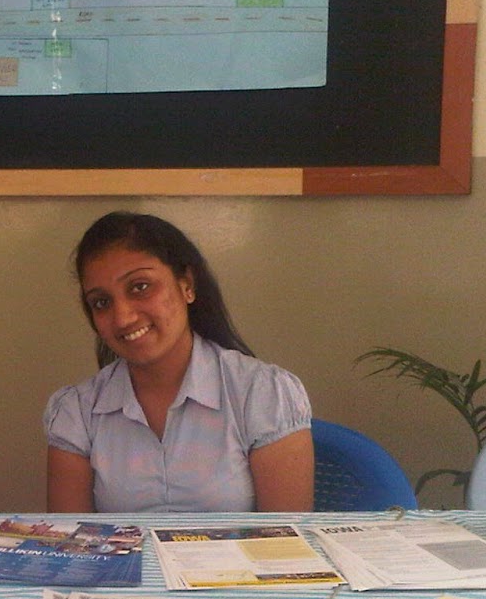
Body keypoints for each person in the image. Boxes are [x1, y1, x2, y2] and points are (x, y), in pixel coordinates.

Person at [44, 212, 313, 513]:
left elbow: (285, 538)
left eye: (140, 287)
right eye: (102, 302)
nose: (122, 318)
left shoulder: (263, 394)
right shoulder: (77, 412)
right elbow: (72, 538)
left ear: (187, 285)